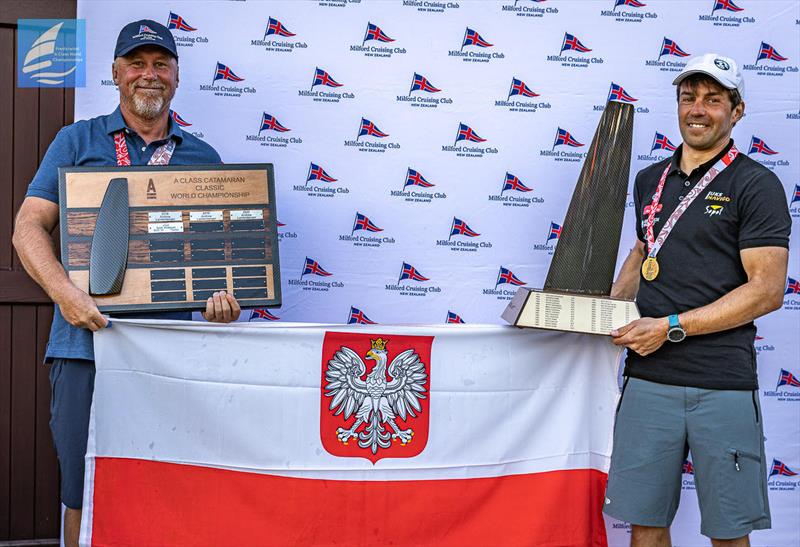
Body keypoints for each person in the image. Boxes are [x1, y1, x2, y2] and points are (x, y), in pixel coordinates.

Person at [12, 20, 240, 547]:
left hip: (170, 354)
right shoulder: (77, 140)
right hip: (85, 345)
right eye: (136, 64)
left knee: (167, 483)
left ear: (177, 77)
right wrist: (66, 295)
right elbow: (27, 228)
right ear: (116, 73)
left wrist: (220, 304)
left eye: (161, 64)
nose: (149, 75)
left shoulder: (203, 159)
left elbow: (215, 264)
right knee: (82, 486)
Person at [604, 53, 791, 547]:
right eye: (689, 97)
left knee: (729, 532)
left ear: (737, 110)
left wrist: (670, 326)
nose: (699, 109)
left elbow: (767, 290)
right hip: (647, 379)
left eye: (713, 99)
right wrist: (603, 306)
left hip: (721, 382)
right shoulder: (650, 180)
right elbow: (646, 250)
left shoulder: (756, 184)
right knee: (644, 524)